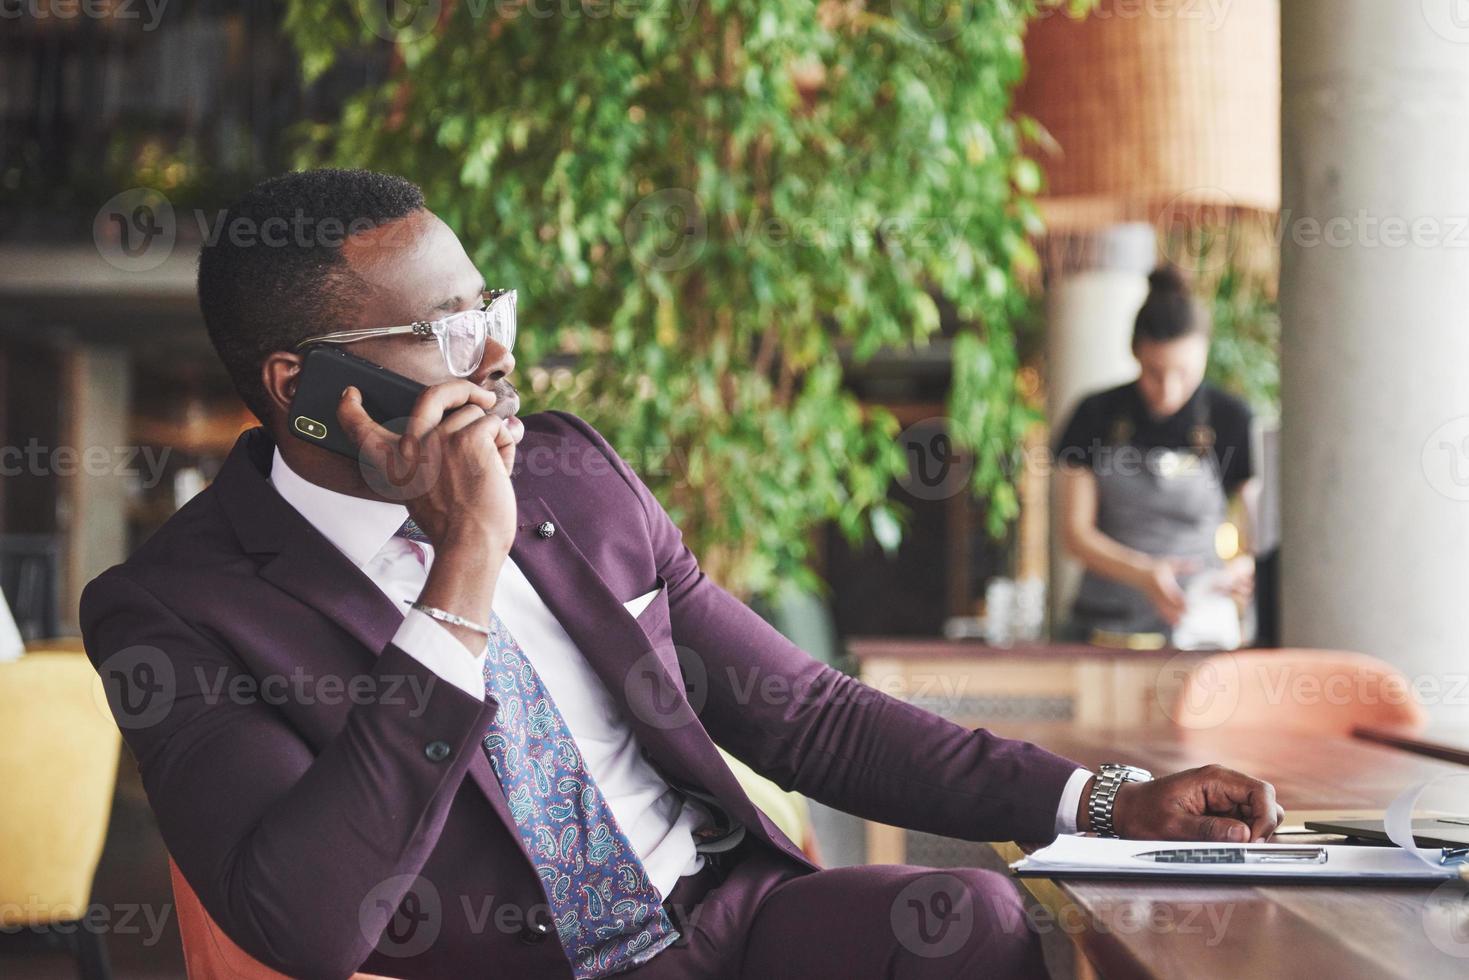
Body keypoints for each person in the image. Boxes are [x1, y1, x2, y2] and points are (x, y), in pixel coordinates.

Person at [82, 171, 1283, 980]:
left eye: (487, 307)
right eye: (443, 333)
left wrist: (1106, 799)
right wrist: (459, 569)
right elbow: (304, 917)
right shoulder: (178, 607)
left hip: (724, 920)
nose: (496, 354)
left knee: (969, 921)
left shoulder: (572, 472)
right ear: (301, 388)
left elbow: (808, 715)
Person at [1055, 266, 1261, 648]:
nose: (1168, 390)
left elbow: (1258, 531)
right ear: (1135, 352)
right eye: (1154, 373)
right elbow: (1075, 534)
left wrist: (1244, 569)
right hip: (1103, 627)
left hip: (1198, 627)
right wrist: (1144, 573)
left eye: (1184, 373)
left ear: (1205, 352)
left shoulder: (1231, 419)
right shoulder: (1094, 414)